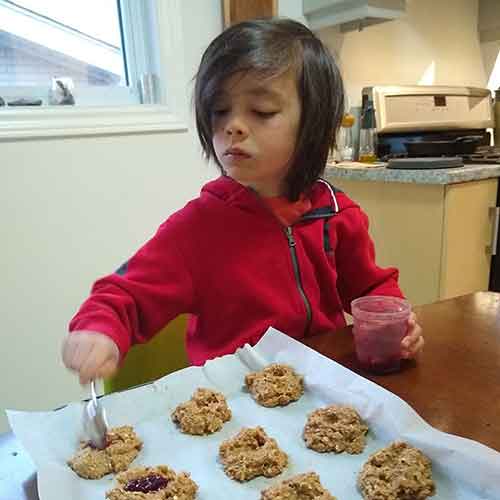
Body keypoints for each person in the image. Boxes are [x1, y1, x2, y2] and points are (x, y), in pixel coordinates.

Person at [62, 18, 424, 384]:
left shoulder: (336, 214)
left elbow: (370, 290)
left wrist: (399, 322)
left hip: (322, 386)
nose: (232, 126)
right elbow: (126, 293)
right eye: (219, 111)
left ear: (313, 124)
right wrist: (98, 329)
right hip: (234, 400)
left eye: (262, 111)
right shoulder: (196, 231)